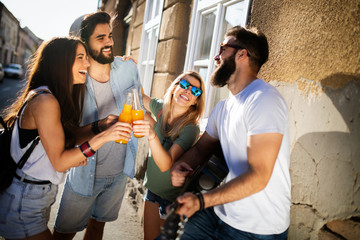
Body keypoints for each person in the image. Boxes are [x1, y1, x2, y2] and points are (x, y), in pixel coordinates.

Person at [0, 37, 132, 240]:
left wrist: (99, 125)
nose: (87, 64)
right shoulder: (45, 101)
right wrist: (104, 137)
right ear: (61, 62)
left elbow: (64, 138)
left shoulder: (52, 97)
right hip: (24, 200)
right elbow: (60, 161)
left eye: (86, 58)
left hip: (34, 196)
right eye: (80, 58)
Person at [168, 26, 291, 239]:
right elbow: (200, 151)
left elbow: (259, 176)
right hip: (222, 210)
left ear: (241, 54)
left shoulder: (263, 100)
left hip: (258, 228)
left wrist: (201, 201)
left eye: (222, 48)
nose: (216, 57)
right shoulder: (223, 108)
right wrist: (181, 164)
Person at [53, 11, 143, 240]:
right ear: (84, 43)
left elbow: (140, 106)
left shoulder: (128, 69)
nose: (110, 42)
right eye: (100, 38)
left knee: (97, 229)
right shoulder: (74, 80)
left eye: (110, 35)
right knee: (63, 234)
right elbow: (67, 133)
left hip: (118, 172)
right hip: (84, 172)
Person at [132, 71, 205, 240]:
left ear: (196, 101)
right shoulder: (160, 108)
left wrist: (151, 134)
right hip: (152, 190)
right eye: (185, 85)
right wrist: (132, 68)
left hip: (170, 200)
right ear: (175, 87)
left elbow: (166, 164)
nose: (188, 91)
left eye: (195, 91)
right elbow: (140, 96)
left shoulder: (190, 128)